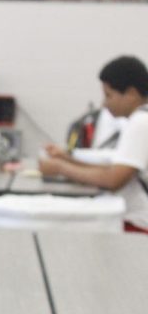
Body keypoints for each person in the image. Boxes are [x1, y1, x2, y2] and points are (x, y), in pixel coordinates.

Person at [40, 55, 148, 233]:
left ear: (131, 94)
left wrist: (61, 168)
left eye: (109, 95)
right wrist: (67, 158)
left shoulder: (141, 122)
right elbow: (113, 164)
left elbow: (113, 179)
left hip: (138, 226)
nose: (104, 104)